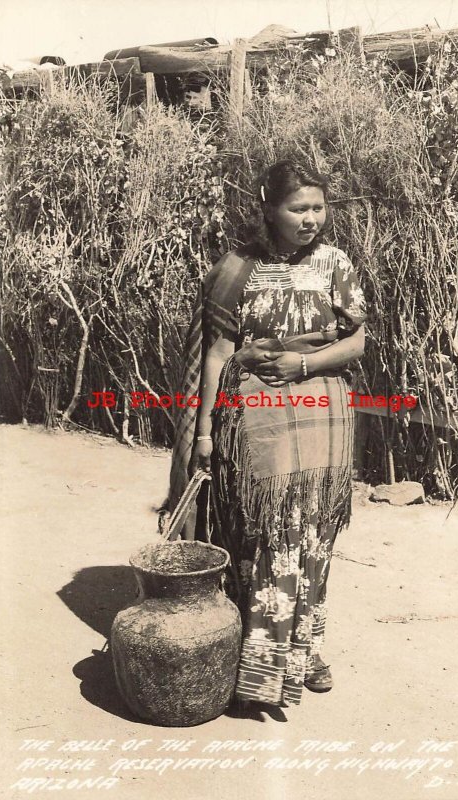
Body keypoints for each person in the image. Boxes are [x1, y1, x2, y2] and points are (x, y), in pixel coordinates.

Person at [168, 159, 366, 708]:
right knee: (260, 528)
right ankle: (255, 661)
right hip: (254, 414)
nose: (310, 220)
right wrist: (204, 433)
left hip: (321, 407)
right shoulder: (237, 269)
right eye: (297, 209)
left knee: (314, 531)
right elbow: (217, 352)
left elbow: (357, 342)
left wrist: (303, 367)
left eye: (318, 208)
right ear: (269, 208)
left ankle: (305, 650)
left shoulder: (335, 264)